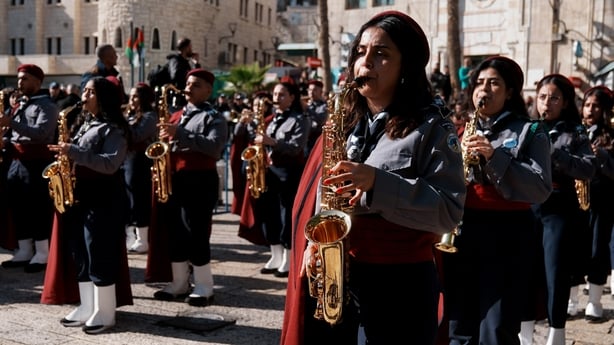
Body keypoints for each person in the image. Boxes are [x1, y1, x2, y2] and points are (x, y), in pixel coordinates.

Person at [281, 11, 466, 345]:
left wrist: (378, 183)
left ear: (406, 66)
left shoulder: (434, 129)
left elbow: (450, 210)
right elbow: (325, 193)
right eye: (360, 52)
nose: (365, 63)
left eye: (381, 54)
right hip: (341, 275)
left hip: (400, 284)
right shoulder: (345, 122)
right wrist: (315, 243)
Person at [442, 56, 553, 345]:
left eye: (494, 83)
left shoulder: (531, 130)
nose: (483, 90)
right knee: (458, 325)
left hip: (508, 234)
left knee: (496, 328)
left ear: (510, 91)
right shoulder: (460, 129)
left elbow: (540, 187)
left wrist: (494, 156)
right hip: (464, 230)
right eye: (479, 83)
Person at [47, 76, 133, 334]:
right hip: (81, 194)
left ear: (104, 97)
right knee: (81, 251)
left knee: (99, 250)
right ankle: (87, 306)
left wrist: (72, 151)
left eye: (90, 92)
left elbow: (109, 163)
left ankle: (105, 312)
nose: (84, 96)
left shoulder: (114, 129)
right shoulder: (87, 123)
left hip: (105, 196)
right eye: (83, 91)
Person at [526, 74, 595, 344]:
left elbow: (588, 167)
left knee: (555, 271)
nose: (547, 103)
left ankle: (557, 333)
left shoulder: (574, 131)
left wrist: (555, 152)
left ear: (565, 102)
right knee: (527, 270)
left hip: (558, 208)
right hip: (528, 206)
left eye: (554, 98)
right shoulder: (527, 128)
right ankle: (525, 332)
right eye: (542, 97)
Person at [151, 68, 228, 307]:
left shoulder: (214, 117)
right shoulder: (175, 115)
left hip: (200, 180)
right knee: (176, 233)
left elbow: (214, 148)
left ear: (207, 90)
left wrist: (180, 133)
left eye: (195, 85)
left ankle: (204, 286)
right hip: (175, 179)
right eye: (187, 83)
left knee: (197, 232)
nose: (188, 88)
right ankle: (179, 282)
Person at [0, 64, 59, 273]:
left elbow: (42, 133)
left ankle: (42, 252)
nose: (19, 83)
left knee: (37, 207)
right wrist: (4, 140)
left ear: (37, 81)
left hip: (36, 162)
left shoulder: (47, 106)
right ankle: (25, 249)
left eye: (24, 79)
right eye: (19, 79)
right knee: (18, 206)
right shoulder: (20, 104)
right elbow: (11, 133)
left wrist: (11, 123)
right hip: (16, 161)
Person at [253, 80, 309, 278]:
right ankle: (274, 254)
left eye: (282, 94)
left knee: (287, 214)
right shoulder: (271, 118)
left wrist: (272, 142)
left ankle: (288, 256)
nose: (276, 98)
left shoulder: (300, 119)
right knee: (269, 213)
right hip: (269, 171)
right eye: (275, 94)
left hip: (289, 172)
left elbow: (296, 147)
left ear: (292, 97)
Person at [571, 85, 614, 322]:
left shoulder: (610, 135)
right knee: (574, 250)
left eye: (596, 106)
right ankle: (571, 299)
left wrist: (603, 157)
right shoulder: (574, 131)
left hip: (601, 202)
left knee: (598, 249)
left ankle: (595, 301)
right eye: (587, 105)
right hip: (575, 202)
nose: (590, 110)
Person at [123, 82, 158, 254]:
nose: (131, 99)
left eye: (135, 96)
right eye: (131, 96)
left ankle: (143, 239)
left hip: (140, 161)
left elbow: (136, 136)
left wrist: (120, 124)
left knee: (140, 200)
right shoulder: (129, 114)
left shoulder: (150, 116)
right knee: (128, 199)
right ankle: (132, 236)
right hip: (127, 160)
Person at [166, 38, 201, 112]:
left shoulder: (185, 62)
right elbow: (175, 76)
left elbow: (196, 77)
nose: (191, 49)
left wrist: (196, 64)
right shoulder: (175, 60)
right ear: (186, 48)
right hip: (177, 101)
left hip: (184, 100)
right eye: (190, 47)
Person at [304, 79, 328, 157]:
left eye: (314, 90)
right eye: (310, 89)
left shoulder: (324, 106)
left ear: (320, 92)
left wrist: (307, 108)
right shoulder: (308, 103)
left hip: (316, 139)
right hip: (305, 140)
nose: (311, 92)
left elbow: (320, 120)